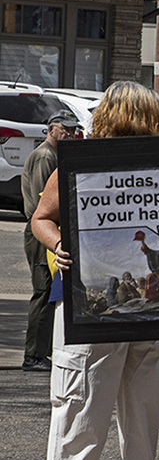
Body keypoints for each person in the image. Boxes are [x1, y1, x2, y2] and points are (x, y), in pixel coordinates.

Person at [33, 82, 159, 460]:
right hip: (85, 307)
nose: (155, 126)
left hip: (152, 315)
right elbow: (41, 217)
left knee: (143, 408)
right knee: (80, 403)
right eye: (150, 117)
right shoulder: (79, 162)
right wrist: (59, 244)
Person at [21, 110, 81, 371]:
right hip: (42, 232)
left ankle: (42, 352)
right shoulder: (46, 156)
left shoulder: (58, 154)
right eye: (64, 128)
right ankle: (33, 355)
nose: (69, 133)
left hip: (52, 231)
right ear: (51, 129)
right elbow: (39, 206)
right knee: (44, 291)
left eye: (72, 129)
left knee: (51, 292)